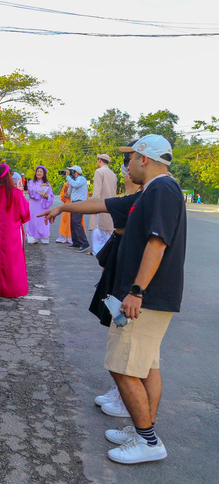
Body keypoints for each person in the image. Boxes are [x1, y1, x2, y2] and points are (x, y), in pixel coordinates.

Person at [40, 134, 186, 464]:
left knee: (122, 367)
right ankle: (142, 430)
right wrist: (62, 206)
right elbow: (102, 205)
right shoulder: (149, 193)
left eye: (131, 158)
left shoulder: (162, 190)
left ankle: (148, 441)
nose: (128, 165)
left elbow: (157, 243)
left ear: (144, 159)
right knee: (146, 366)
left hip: (145, 298)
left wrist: (136, 291)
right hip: (150, 297)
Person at [90, 147, 142, 419]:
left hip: (131, 272)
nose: (125, 171)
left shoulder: (142, 197)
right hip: (119, 260)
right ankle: (121, 391)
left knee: (127, 340)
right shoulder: (130, 196)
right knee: (116, 330)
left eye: (129, 164)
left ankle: (127, 397)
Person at [0, 164, 30, 297]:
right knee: (12, 262)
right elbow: (25, 213)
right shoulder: (15, 193)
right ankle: (12, 289)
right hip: (12, 233)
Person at [88, 154, 118, 256]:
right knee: (108, 231)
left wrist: (92, 205)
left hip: (100, 205)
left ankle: (98, 253)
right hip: (110, 205)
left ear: (100, 160)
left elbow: (97, 192)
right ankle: (107, 253)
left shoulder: (99, 172)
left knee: (97, 230)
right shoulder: (113, 173)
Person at [25, 165, 54, 244]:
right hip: (33, 204)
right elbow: (30, 192)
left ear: (44, 174)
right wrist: (40, 186)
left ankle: (44, 237)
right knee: (33, 220)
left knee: (42, 220)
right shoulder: (31, 182)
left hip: (43, 205)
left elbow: (51, 195)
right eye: (38, 171)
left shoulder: (47, 183)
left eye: (41, 172)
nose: (39, 173)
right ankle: (32, 237)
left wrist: (47, 196)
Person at [65, 165, 90, 252]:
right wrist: (67, 193)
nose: (70, 173)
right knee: (73, 222)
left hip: (80, 202)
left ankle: (84, 243)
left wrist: (68, 177)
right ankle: (76, 242)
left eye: (71, 172)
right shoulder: (74, 180)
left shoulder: (81, 179)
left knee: (77, 222)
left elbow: (75, 185)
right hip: (74, 202)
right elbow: (70, 191)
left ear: (76, 172)